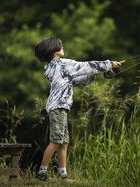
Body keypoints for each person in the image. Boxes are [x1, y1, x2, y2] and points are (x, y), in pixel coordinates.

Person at [34, 37, 124, 181]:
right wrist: (109, 64)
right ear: (54, 51)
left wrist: (96, 73)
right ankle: (41, 174)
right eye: (60, 46)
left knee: (64, 142)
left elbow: (78, 81)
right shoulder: (63, 64)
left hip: (59, 107)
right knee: (56, 141)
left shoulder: (54, 67)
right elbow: (86, 66)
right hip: (58, 106)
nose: (63, 47)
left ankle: (63, 175)